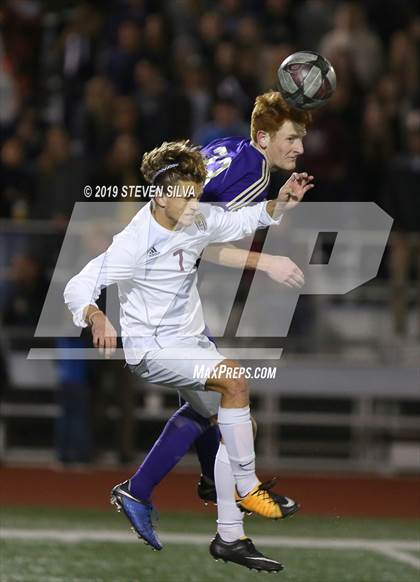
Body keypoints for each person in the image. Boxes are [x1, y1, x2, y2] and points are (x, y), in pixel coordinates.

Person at [64, 139, 313, 572]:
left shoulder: (193, 216)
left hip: (189, 342)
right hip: (152, 348)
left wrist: (281, 204)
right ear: (160, 194)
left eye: (198, 193)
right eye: (188, 194)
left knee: (236, 424)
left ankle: (229, 536)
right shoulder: (136, 240)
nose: (196, 203)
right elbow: (79, 284)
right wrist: (95, 315)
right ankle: (247, 486)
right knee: (234, 380)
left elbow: (242, 218)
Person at [119, 91, 311, 563]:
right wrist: (265, 260)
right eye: (292, 138)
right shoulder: (255, 172)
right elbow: (197, 238)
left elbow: (187, 220)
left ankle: (222, 512)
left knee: (222, 412)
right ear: (263, 137)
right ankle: (195, 497)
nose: (300, 149)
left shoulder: (235, 149)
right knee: (231, 402)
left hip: (164, 289)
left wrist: (278, 206)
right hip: (159, 304)